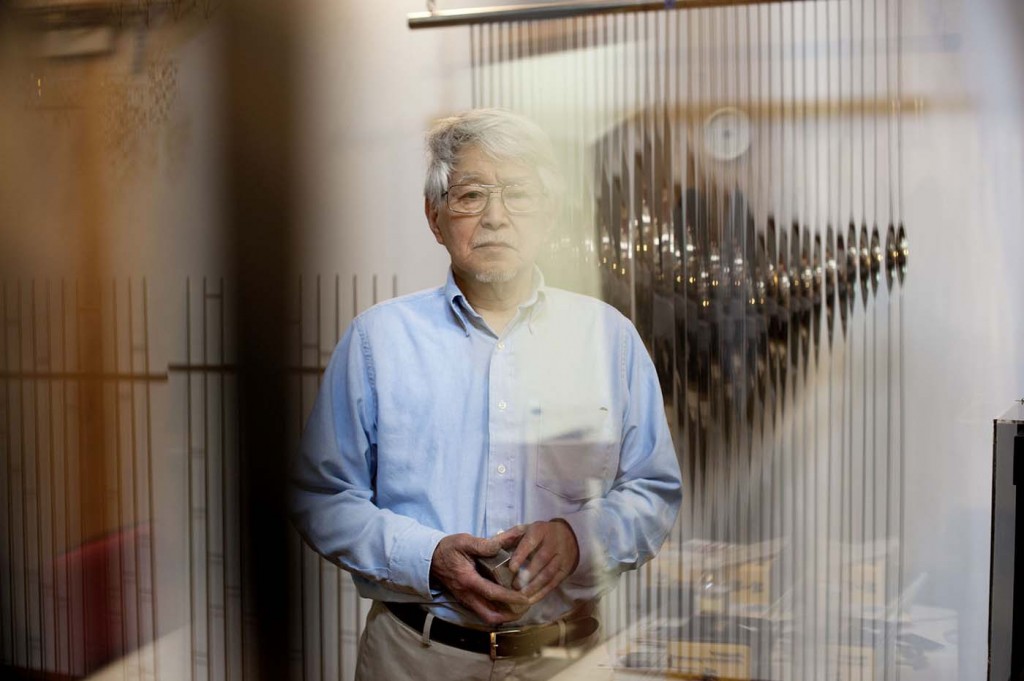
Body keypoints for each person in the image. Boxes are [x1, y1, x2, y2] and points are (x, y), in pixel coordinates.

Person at [290, 108, 682, 680]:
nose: (496, 217)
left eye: (519, 194)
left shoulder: (607, 338)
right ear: (435, 216)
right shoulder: (379, 340)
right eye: (472, 195)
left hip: (567, 657)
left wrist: (576, 540)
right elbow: (319, 495)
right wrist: (428, 557)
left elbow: (653, 489)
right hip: (416, 658)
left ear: (549, 212)